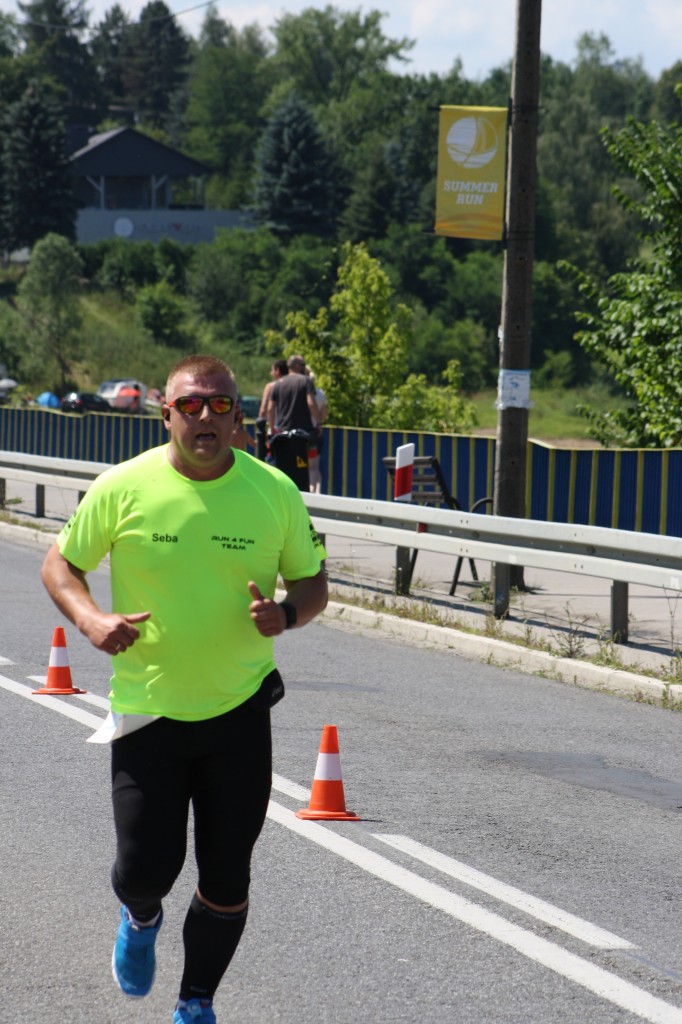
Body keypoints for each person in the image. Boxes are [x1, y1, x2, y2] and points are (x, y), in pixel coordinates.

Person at [40, 354, 328, 1024]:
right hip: (149, 714)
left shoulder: (273, 492)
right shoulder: (123, 486)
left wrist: (286, 614)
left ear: (239, 417)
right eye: (191, 405)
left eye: (220, 405)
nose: (206, 417)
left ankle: (195, 1001)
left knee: (227, 878)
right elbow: (61, 564)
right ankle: (140, 918)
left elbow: (313, 584)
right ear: (166, 414)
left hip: (238, 713)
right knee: (145, 871)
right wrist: (91, 619)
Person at [305, 368, 329, 494]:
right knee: (314, 467)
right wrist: (318, 419)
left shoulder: (297, 391)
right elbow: (325, 415)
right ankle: (315, 491)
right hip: (314, 433)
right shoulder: (320, 394)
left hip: (296, 432)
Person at [257, 359, 288, 423]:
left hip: (276, 425)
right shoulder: (293, 385)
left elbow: (264, 409)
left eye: (272, 370)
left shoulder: (270, 386)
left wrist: (260, 421)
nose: (271, 373)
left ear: (277, 370)